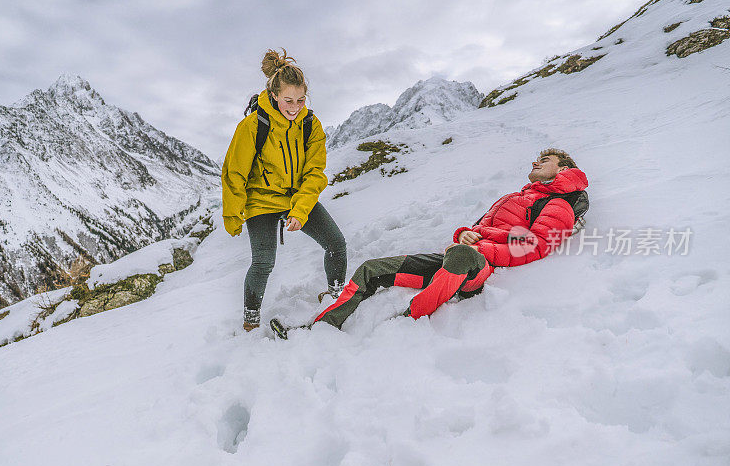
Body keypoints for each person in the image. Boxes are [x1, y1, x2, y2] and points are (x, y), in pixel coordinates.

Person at [294, 148, 588, 332]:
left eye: (545, 159)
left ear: (563, 169)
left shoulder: (558, 205)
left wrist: (478, 244)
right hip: (460, 259)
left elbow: (535, 246)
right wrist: (464, 234)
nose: (536, 161)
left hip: (481, 268)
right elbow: (476, 227)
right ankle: (321, 327)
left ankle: (405, 323)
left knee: (461, 256)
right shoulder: (516, 196)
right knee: (371, 269)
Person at [222, 49, 347, 332]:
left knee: (336, 245)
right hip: (262, 200)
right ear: (275, 95)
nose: (295, 106)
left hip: (295, 197)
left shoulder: (310, 125)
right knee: (263, 263)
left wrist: (300, 210)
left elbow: (315, 174)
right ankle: (251, 322)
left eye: (301, 100)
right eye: (289, 100)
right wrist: (233, 214)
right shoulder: (253, 125)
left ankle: (338, 297)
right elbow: (234, 172)